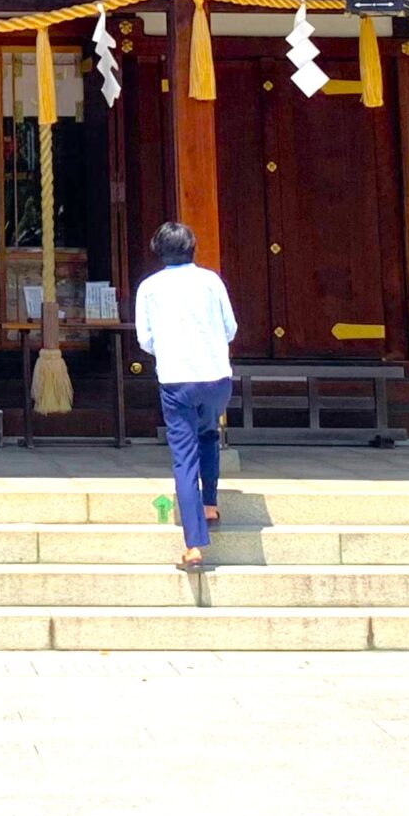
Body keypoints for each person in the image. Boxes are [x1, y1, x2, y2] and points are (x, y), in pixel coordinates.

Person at [133, 220, 236, 569]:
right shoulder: (211, 281)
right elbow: (230, 328)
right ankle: (209, 504)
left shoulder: (149, 288)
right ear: (192, 248)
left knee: (184, 457)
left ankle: (194, 545)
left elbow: (145, 340)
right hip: (217, 377)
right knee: (209, 434)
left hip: (177, 379)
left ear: (158, 251)